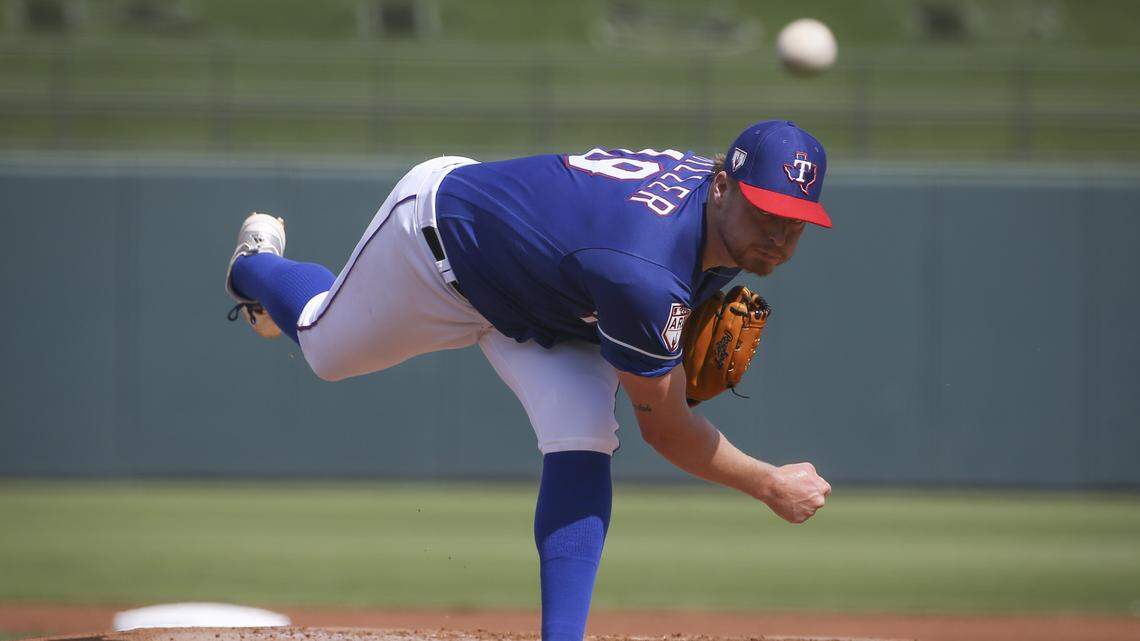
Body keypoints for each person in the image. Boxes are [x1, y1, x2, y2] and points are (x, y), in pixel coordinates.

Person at [224, 119, 833, 641]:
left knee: (584, 434)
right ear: (722, 186)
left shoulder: (703, 215)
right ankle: (257, 265)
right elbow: (668, 431)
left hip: (547, 298)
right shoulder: (643, 273)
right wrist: (769, 483)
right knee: (324, 346)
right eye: (767, 211)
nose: (779, 235)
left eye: (797, 219)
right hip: (439, 248)